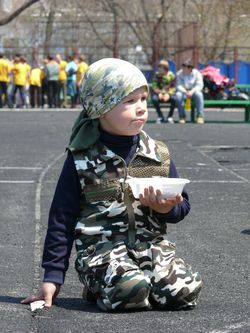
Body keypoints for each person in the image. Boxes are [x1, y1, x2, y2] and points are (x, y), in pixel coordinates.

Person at [21, 58, 203, 312]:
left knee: (183, 291)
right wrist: (52, 278)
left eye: (143, 99)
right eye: (129, 101)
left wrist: (166, 209)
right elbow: (62, 219)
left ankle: (142, 281)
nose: (141, 108)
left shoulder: (157, 154)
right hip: (102, 253)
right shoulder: (82, 159)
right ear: (101, 109)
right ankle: (102, 284)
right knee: (131, 291)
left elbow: (181, 208)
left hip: (150, 249)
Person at [176, 59, 205, 124]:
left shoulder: (197, 73)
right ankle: (182, 116)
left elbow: (200, 85)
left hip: (194, 92)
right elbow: (178, 85)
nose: (183, 68)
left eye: (185, 67)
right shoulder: (179, 74)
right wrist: (185, 91)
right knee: (178, 95)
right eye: (183, 66)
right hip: (184, 92)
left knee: (199, 95)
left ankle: (200, 116)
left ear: (190, 68)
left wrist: (191, 91)